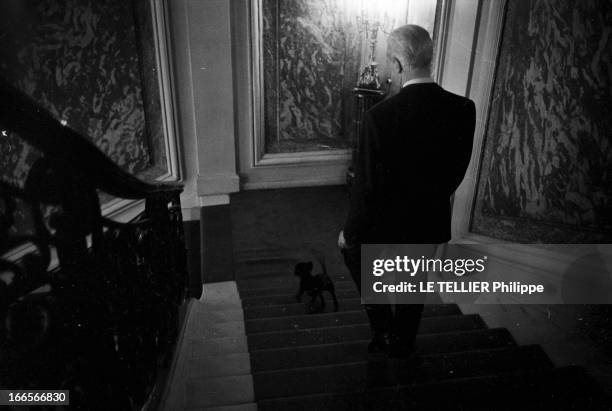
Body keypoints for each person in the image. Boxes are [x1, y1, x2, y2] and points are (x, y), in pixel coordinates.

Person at [338, 24, 476, 358]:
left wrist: (351, 233)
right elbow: (456, 172)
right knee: (413, 285)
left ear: (399, 64)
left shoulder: (378, 117)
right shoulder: (464, 108)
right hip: (429, 220)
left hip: (384, 224)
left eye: (390, 61)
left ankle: (383, 329)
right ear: (429, 58)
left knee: (356, 256)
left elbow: (366, 186)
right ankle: (403, 342)